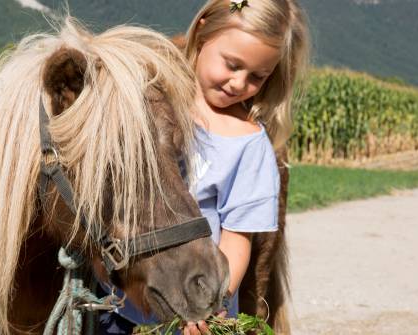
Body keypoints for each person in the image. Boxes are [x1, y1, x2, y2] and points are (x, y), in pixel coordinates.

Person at [98, 0, 310, 334]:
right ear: (202, 31)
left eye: (257, 76)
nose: (239, 83)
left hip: (193, 314)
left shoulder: (248, 144)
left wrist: (212, 303)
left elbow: (237, 237)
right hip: (120, 305)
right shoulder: (144, 101)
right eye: (231, 64)